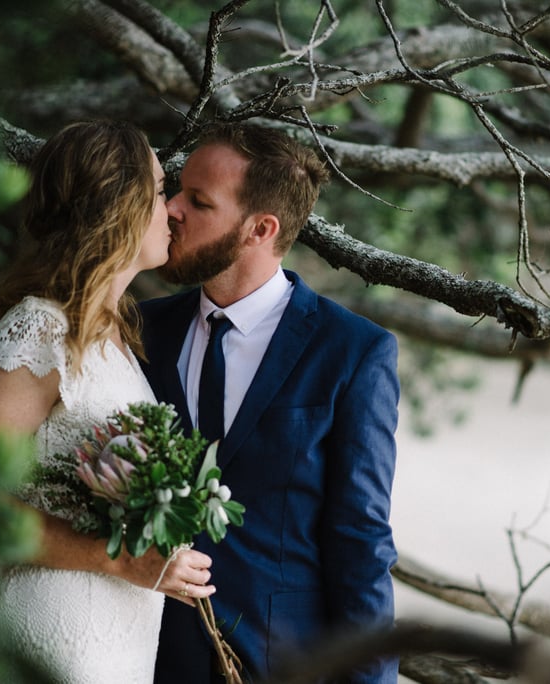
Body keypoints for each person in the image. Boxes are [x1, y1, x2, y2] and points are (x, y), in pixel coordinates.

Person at [0, 120, 215, 684]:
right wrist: (120, 559)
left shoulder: (116, 338)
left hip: (118, 645)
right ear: (120, 203)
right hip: (55, 635)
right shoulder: (43, 327)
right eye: (161, 190)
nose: (171, 210)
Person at [141, 122, 400, 683]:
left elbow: (361, 543)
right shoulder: (139, 332)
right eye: (177, 190)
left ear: (260, 228)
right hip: (143, 655)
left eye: (198, 201)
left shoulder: (354, 353)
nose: (171, 209)